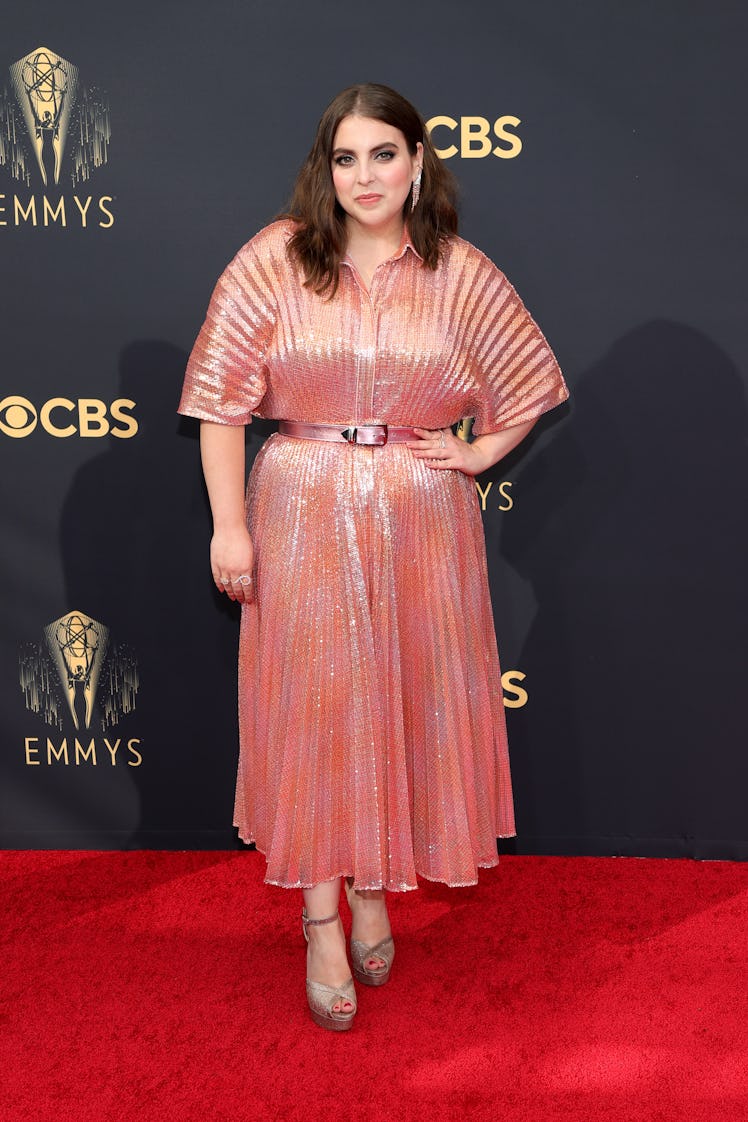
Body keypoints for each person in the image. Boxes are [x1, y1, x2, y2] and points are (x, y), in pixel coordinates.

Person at [178, 83, 568, 1031]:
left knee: (399, 703)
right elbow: (220, 405)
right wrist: (230, 526)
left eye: (383, 155)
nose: (365, 177)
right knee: (315, 712)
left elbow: (528, 377)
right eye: (346, 158)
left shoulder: (461, 272)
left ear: (418, 161)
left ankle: (372, 890)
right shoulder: (274, 260)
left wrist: (476, 451)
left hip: (421, 520)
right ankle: (321, 914)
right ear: (326, 168)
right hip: (301, 505)